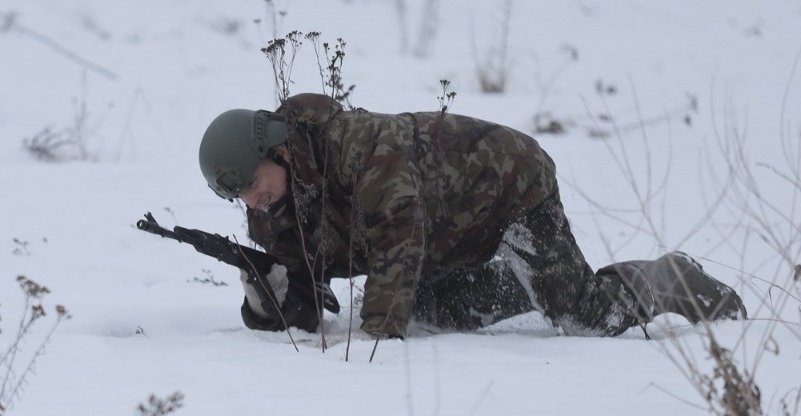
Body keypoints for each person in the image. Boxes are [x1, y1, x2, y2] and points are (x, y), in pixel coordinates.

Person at [197, 92, 745, 339]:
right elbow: (306, 303)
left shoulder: (358, 145)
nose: (251, 201)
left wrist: (376, 340)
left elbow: (398, 235)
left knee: (583, 317)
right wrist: (264, 291)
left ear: (279, 150)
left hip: (506, 186)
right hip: (447, 235)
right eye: (237, 197)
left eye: (250, 184)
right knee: (433, 309)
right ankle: (529, 284)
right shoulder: (271, 207)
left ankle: (667, 279)